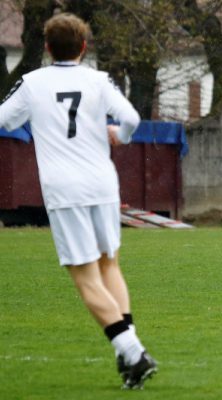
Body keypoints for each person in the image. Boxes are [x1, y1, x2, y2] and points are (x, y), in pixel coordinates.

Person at [0, 13, 157, 388]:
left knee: (85, 276)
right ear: (84, 47)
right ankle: (126, 352)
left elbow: (4, 120)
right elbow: (132, 117)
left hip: (64, 189)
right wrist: (120, 133)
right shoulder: (98, 80)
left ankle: (134, 352)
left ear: (48, 47)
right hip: (102, 183)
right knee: (110, 265)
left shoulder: (33, 82)